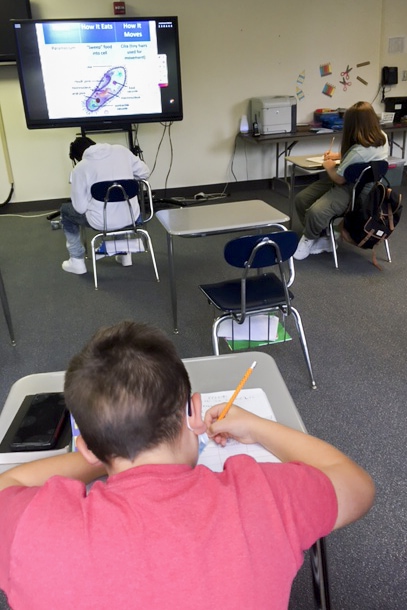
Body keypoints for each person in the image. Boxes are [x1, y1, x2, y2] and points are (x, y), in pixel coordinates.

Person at [0, 321, 375, 610]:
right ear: (193, 408)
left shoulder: (29, 531)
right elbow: (356, 486)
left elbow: (10, 480)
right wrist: (257, 427)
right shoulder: (265, 497)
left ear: (86, 449)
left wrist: (106, 453)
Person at [294, 101, 389, 260]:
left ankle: (310, 238)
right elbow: (362, 157)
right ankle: (323, 235)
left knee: (315, 212)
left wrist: (328, 165)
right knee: (301, 199)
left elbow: (338, 178)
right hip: (358, 182)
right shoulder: (382, 137)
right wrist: (339, 157)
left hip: (353, 189)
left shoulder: (358, 152)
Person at [60, 137, 150, 274]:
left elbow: (80, 208)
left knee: (65, 211)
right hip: (131, 216)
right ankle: (124, 255)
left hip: (100, 222)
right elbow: (145, 172)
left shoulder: (80, 168)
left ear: (78, 157)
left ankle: (76, 260)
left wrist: (94, 197)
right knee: (119, 205)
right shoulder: (122, 151)